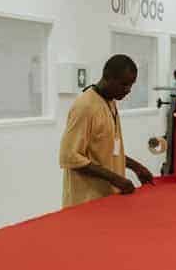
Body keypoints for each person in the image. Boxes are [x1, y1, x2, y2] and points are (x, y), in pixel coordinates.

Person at [58, 54, 156, 207]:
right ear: (108, 77)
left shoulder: (110, 103)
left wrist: (136, 167)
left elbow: (110, 150)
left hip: (108, 199)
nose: (128, 90)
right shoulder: (85, 106)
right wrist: (114, 178)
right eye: (124, 84)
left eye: (131, 85)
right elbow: (69, 156)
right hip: (86, 202)